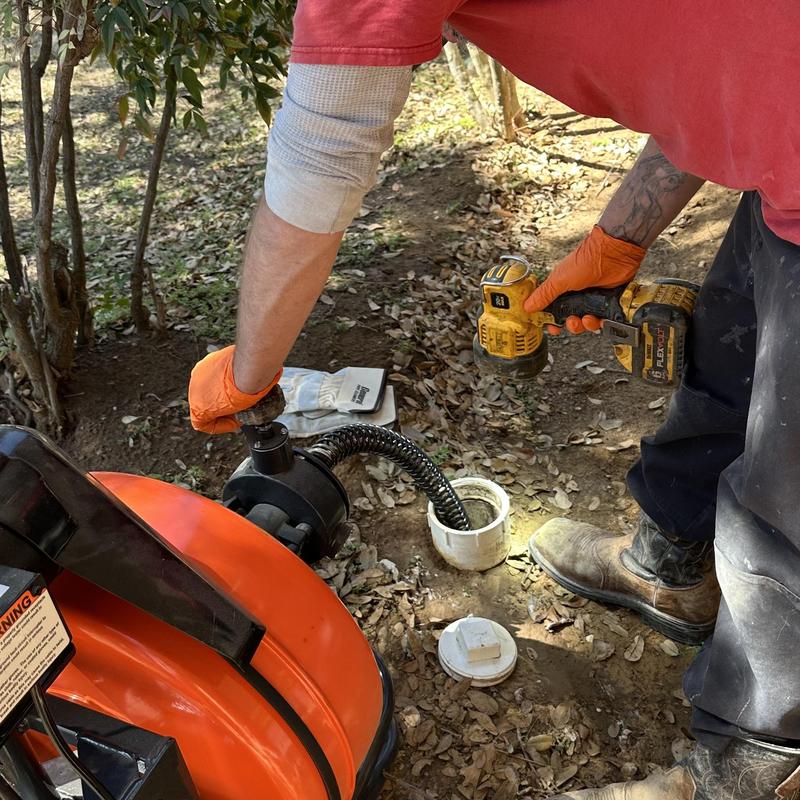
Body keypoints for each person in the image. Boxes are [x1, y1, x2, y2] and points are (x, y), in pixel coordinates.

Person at [187, 2, 800, 797]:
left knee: (785, 504)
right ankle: (672, 567)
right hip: (782, 157)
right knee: (730, 361)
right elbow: (726, 72)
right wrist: (618, 238)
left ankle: (751, 764)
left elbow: (320, 160)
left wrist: (250, 368)